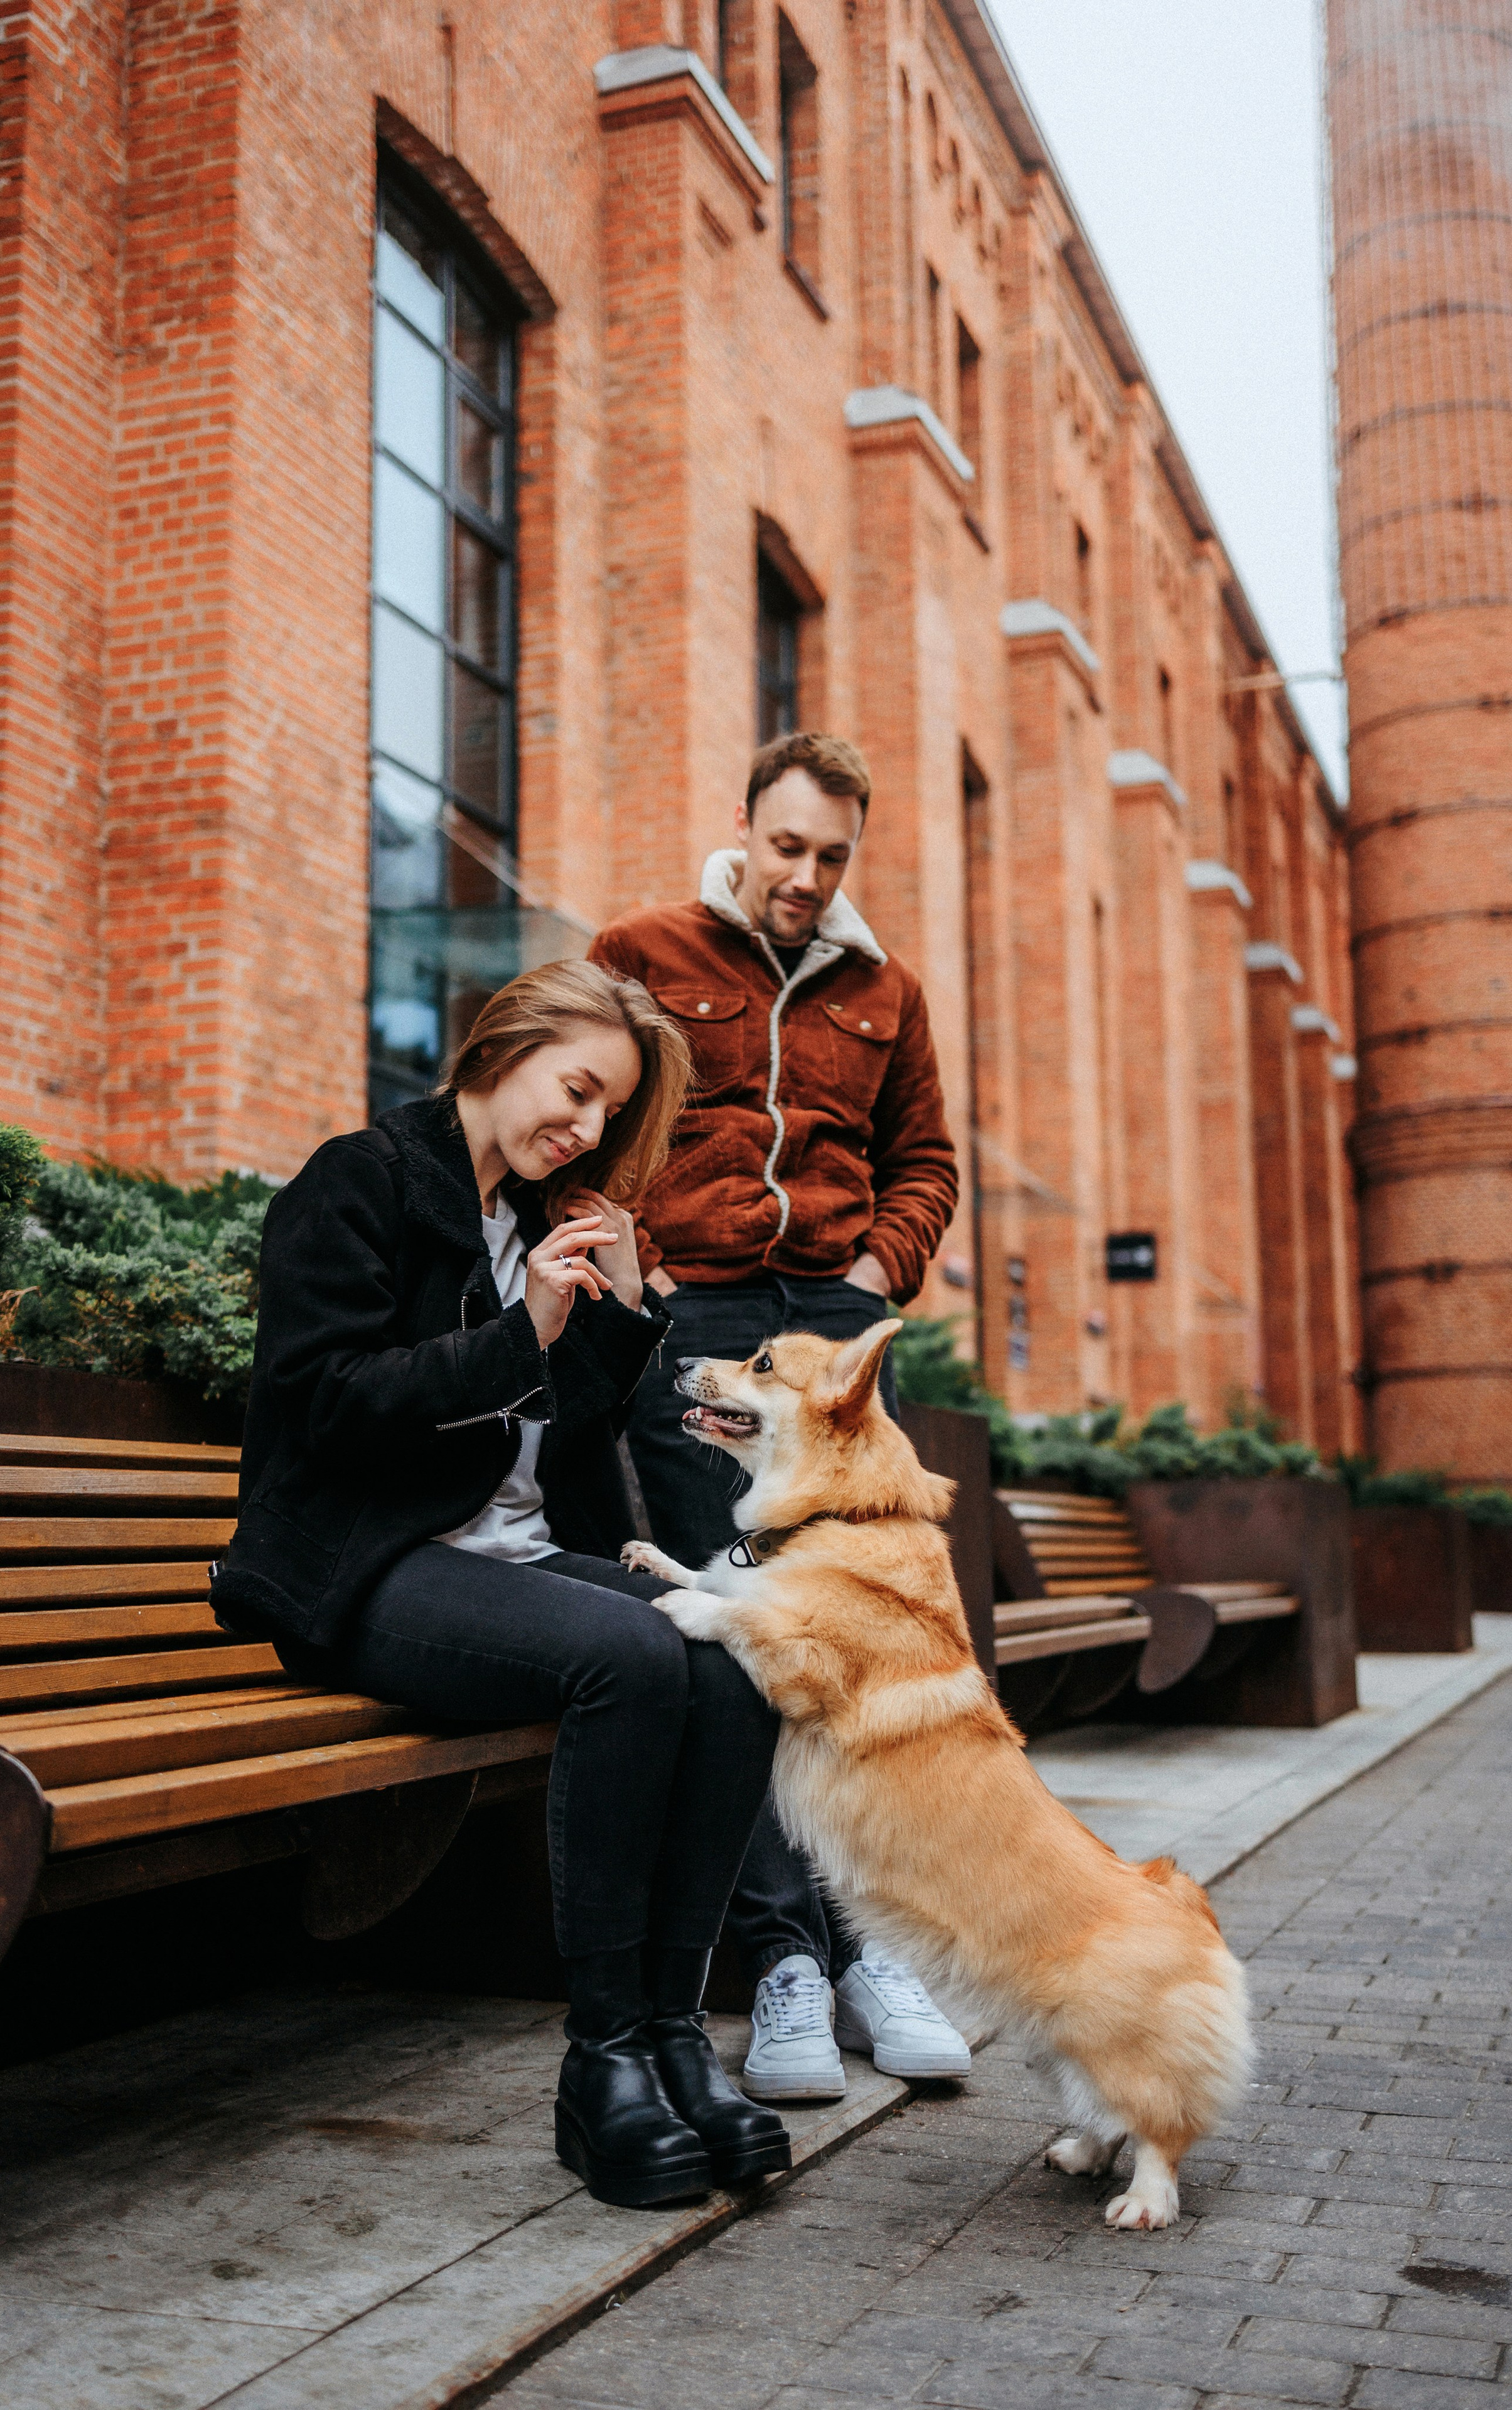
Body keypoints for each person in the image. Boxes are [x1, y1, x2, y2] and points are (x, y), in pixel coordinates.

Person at [211, 960, 790, 2210]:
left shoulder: (533, 1225)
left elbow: (556, 1448)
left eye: (604, 1114)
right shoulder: (354, 1184)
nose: (582, 1131)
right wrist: (515, 1332)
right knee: (630, 1660)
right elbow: (321, 1410)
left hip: (509, 1565)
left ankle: (673, 2038)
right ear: (503, 1047)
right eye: (576, 1091)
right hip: (366, 1573)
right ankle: (601, 2064)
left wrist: (621, 1320)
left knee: (740, 1652)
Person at [591, 731, 974, 2099]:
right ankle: (783, 1964)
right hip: (696, 1330)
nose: (804, 877)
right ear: (743, 826)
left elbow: (923, 1159)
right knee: (747, 1629)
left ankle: (870, 1943)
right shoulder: (641, 949)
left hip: (830, 1347)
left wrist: (876, 1277)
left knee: (848, 1638)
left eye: (830, 857)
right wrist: (637, 1264)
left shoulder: (889, 991)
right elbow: (586, 1118)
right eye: (787, 846)